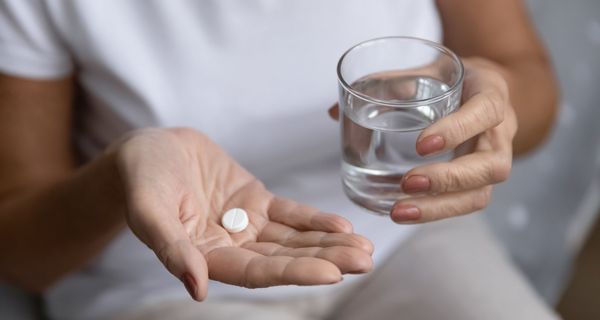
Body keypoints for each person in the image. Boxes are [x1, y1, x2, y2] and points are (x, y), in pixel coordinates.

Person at [0, 0, 560, 319]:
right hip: (172, 279)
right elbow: (21, 253)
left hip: (402, 233)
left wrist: (497, 99)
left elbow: (529, 80)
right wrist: (122, 174)